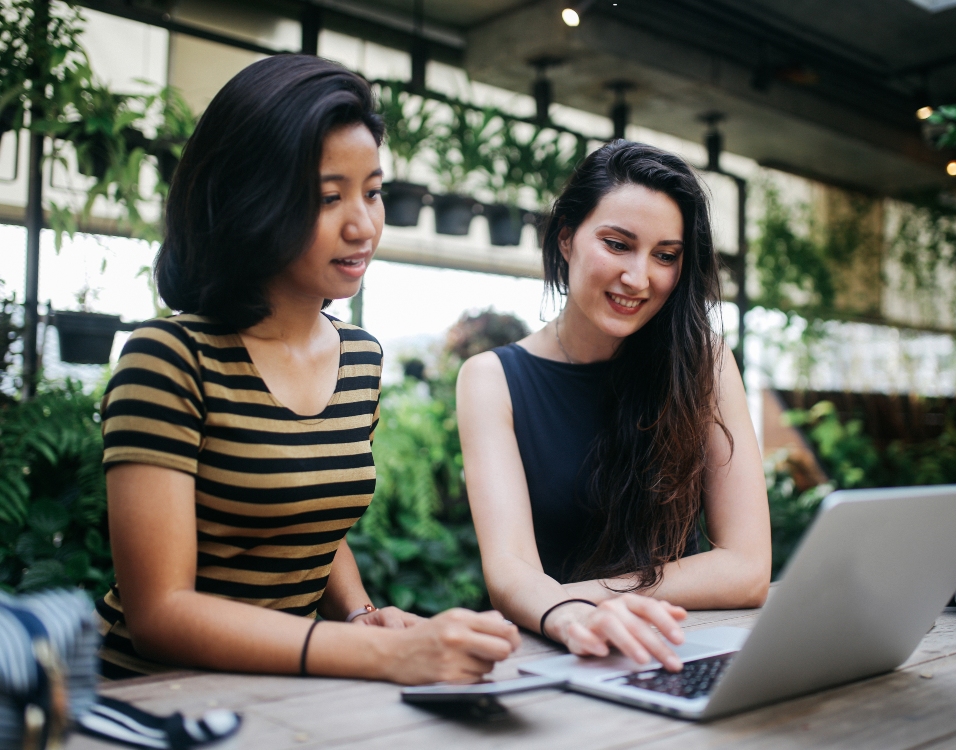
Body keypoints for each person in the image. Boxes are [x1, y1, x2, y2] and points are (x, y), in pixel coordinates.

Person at [96, 55, 519, 682]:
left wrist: (359, 615)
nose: (363, 224)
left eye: (372, 192)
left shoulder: (361, 360)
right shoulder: (168, 360)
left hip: (285, 695)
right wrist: (386, 654)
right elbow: (160, 614)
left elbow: (307, 522)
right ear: (252, 202)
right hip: (156, 704)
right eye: (328, 197)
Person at [456, 141, 770, 673]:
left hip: (676, 649)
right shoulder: (491, 379)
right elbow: (509, 571)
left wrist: (583, 597)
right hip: (557, 654)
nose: (639, 277)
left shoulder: (706, 363)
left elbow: (747, 569)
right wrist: (569, 613)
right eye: (617, 244)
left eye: (665, 256)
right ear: (566, 240)